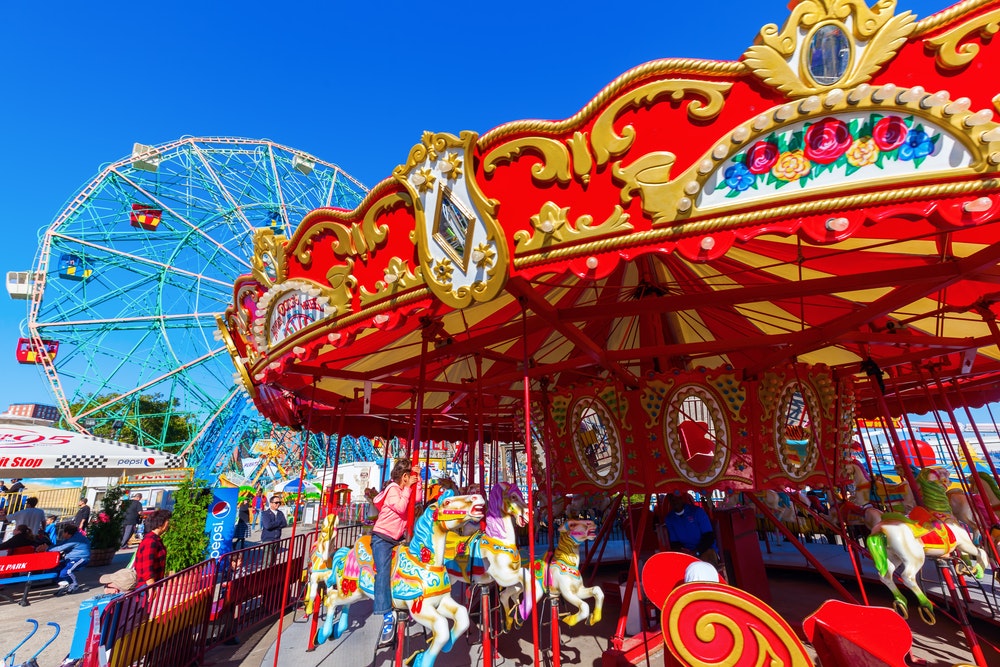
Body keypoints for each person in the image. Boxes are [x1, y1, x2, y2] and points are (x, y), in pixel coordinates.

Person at [371, 457, 420, 646]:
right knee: (383, 572)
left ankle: (408, 600)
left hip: (397, 538)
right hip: (383, 538)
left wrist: (419, 479)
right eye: (411, 476)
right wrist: (408, 488)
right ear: (405, 476)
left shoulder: (403, 489)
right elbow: (401, 508)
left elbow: (416, 499)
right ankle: (386, 616)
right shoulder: (393, 489)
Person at [663, 491, 719, 567]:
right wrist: (684, 552)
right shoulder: (669, 518)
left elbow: (709, 537)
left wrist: (697, 552)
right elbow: (675, 542)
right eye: (672, 499)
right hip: (687, 552)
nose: (675, 501)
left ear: (682, 498)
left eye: (677, 498)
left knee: (704, 567)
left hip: (705, 550)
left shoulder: (697, 512)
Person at [50, 523, 91, 594]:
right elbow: (61, 544)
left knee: (66, 571)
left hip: (80, 558)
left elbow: (61, 548)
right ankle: (63, 583)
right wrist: (49, 547)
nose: (62, 534)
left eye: (63, 533)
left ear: (67, 533)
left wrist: (47, 549)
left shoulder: (75, 539)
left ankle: (74, 584)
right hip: (71, 558)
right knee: (55, 568)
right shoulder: (71, 538)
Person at [135, 509, 171, 587]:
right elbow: (147, 567)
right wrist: (151, 588)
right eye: (168, 521)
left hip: (152, 584)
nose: (169, 524)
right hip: (145, 586)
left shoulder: (156, 539)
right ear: (162, 523)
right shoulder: (150, 541)